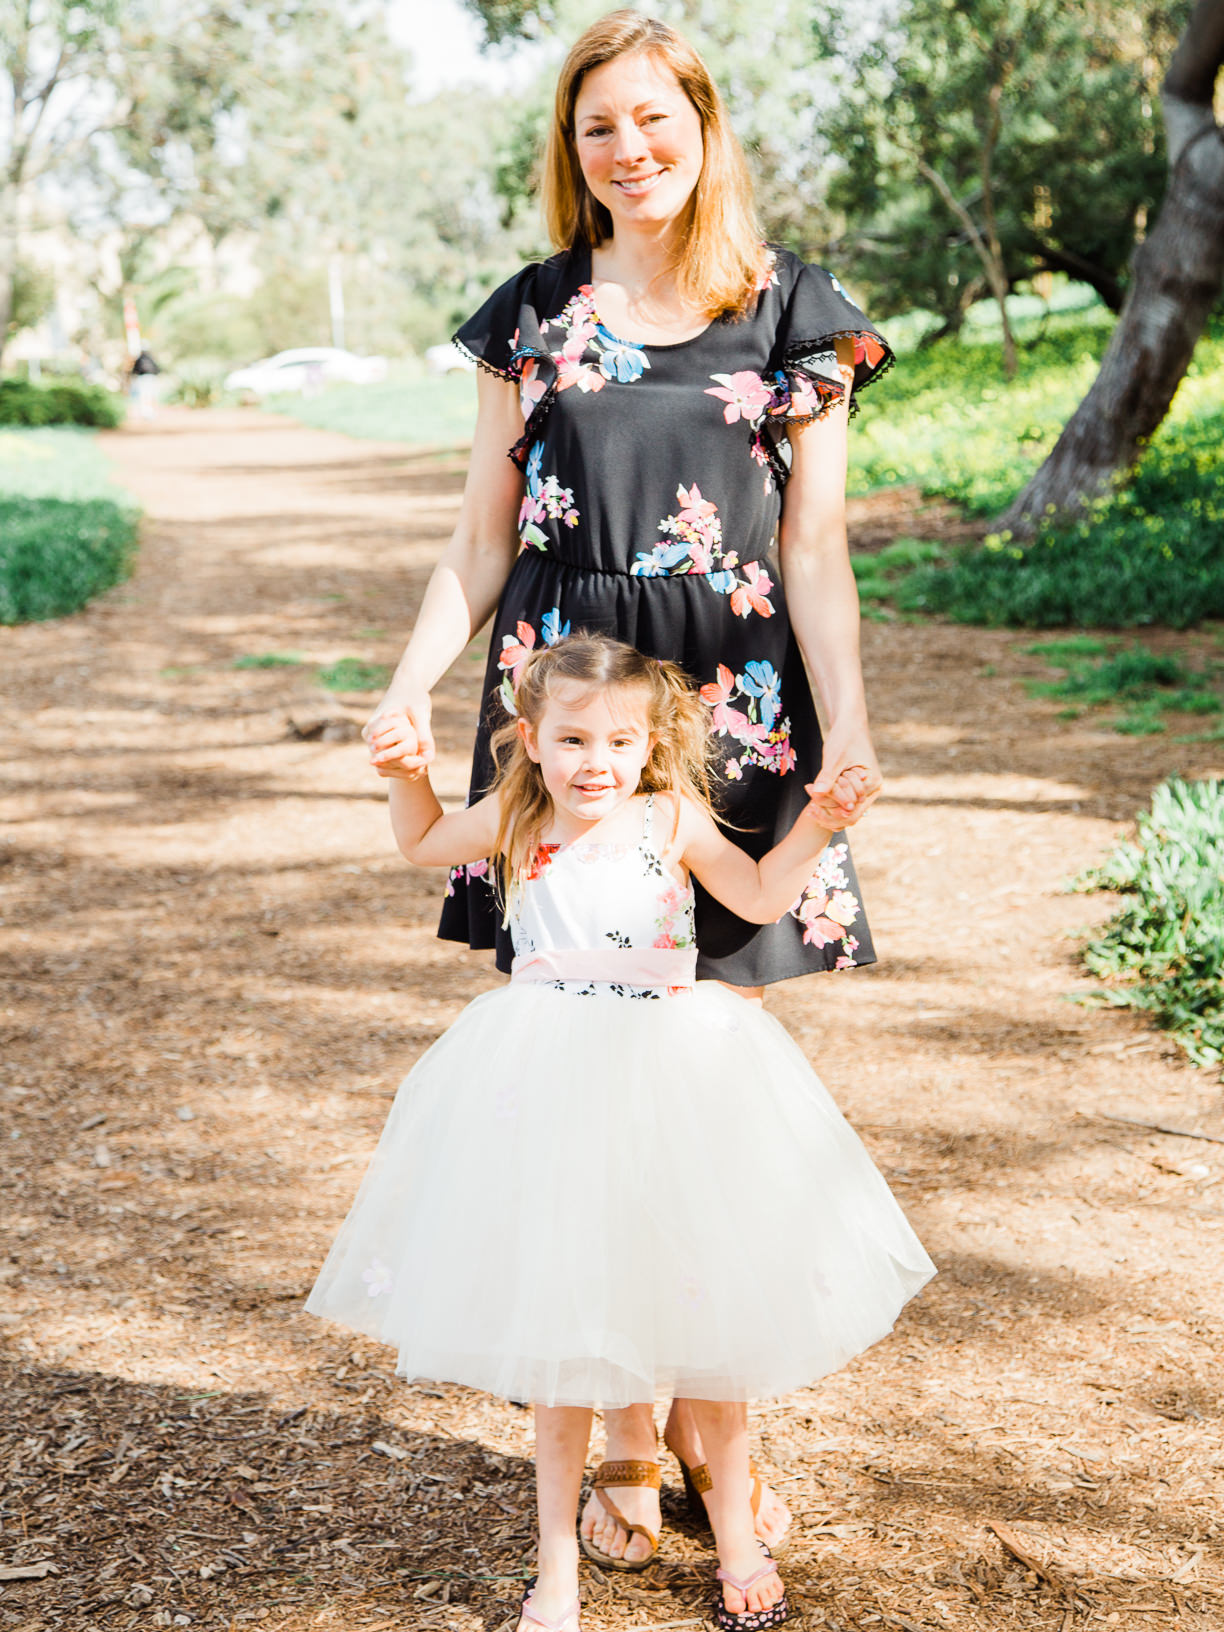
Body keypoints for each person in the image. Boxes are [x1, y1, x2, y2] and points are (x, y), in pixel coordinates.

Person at [365, 3, 895, 1578]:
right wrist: (409, 679)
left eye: (656, 117)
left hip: (732, 714)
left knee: (697, 1081)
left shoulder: (794, 312)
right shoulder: (530, 314)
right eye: (601, 124)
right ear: (573, 147)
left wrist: (849, 729)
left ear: (704, 127)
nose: (631, 147)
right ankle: (619, 1434)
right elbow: (478, 538)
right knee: (580, 1069)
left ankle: (726, 1459)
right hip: (568, 708)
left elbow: (815, 553)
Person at [309, 635, 934, 1631]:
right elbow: (423, 842)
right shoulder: (519, 814)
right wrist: (405, 775)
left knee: (704, 1323)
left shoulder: (671, 818)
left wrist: (820, 820)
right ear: (529, 739)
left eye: (617, 739)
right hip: (547, 1081)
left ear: (651, 745)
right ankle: (555, 1566)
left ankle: (735, 1537)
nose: (593, 759)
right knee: (567, 1343)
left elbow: (766, 895)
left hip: (673, 1074)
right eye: (570, 738)